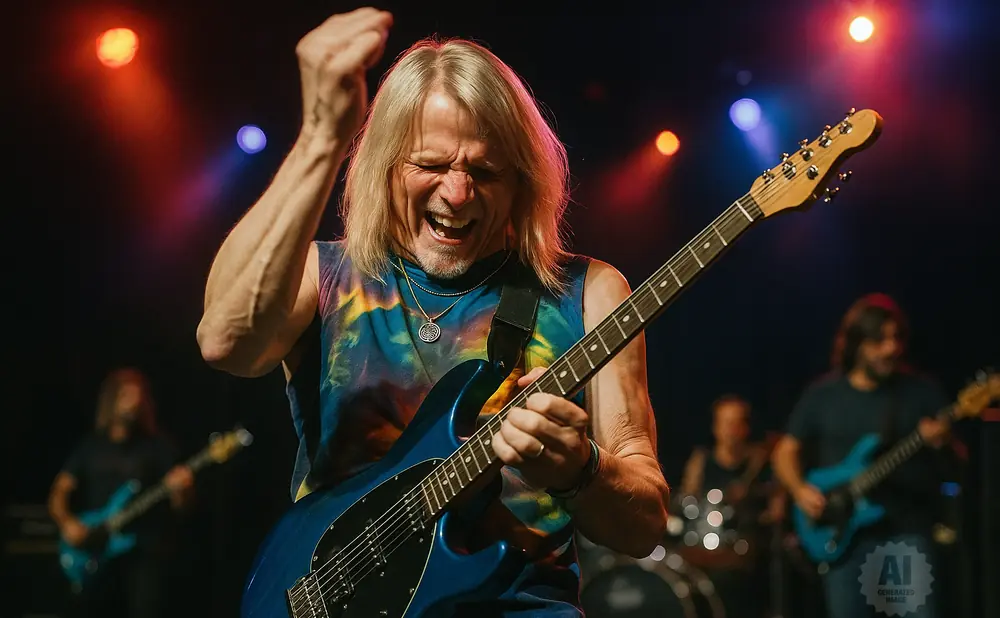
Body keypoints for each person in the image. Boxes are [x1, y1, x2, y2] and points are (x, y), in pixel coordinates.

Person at [196, 7, 670, 616]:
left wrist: (581, 471)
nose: (457, 193)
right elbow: (225, 342)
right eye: (432, 164)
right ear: (386, 166)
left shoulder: (589, 293)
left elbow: (643, 526)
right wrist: (322, 136)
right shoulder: (328, 275)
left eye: (485, 170)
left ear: (522, 181)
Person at [770, 293, 954, 618]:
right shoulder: (823, 395)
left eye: (896, 338)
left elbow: (957, 463)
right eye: (878, 340)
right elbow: (786, 451)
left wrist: (942, 443)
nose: (890, 348)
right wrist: (800, 491)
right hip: (844, 537)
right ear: (856, 344)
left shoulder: (920, 392)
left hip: (905, 534)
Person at [48, 367, 194, 618]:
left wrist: (183, 490)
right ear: (112, 399)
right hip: (97, 550)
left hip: (145, 554)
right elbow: (59, 492)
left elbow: (183, 507)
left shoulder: (159, 446)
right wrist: (67, 524)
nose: (133, 401)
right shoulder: (90, 445)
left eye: (139, 395)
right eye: (126, 394)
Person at [676, 394, 784, 618]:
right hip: (703, 554)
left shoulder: (760, 462)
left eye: (737, 423)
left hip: (748, 560)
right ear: (715, 427)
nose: (730, 430)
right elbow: (686, 502)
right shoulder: (701, 460)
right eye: (725, 423)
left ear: (746, 427)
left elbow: (776, 510)